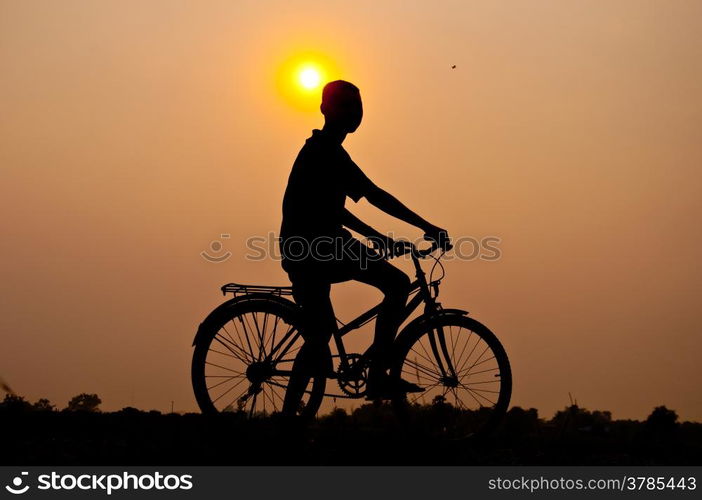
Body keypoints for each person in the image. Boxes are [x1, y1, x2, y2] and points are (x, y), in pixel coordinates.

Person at [279, 80, 449, 415]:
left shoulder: (331, 151)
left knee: (318, 337)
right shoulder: (324, 150)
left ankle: (289, 420)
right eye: (345, 105)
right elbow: (371, 195)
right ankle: (377, 375)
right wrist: (423, 228)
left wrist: (377, 236)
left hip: (317, 245)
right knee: (397, 285)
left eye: (357, 106)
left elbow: (338, 207)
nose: (353, 113)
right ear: (325, 109)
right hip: (314, 247)